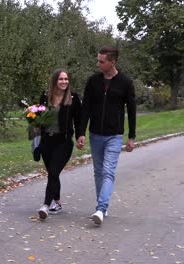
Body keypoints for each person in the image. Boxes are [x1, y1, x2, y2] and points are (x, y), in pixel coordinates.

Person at [77, 46, 136, 225]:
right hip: (95, 134)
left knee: (108, 171)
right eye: (98, 60)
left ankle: (101, 208)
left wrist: (131, 136)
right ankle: (101, 205)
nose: (98, 64)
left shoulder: (125, 83)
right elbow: (85, 108)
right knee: (98, 172)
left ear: (112, 62)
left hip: (114, 136)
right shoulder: (93, 81)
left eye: (102, 61)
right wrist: (81, 132)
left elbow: (132, 111)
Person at [36, 69, 82, 220]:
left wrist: (81, 135)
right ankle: (58, 202)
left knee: (54, 172)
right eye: (61, 79)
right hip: (46, 141)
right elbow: (38, 117)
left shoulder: (73, 99)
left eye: (66, 79)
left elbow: (79, 120)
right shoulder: (45, 97)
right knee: (52, 173)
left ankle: (45, 205)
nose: (64, 82)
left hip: (63, 142)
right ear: (55, 81)